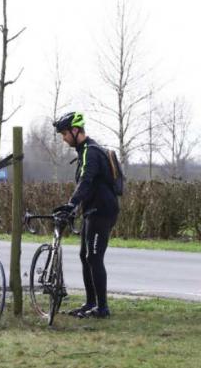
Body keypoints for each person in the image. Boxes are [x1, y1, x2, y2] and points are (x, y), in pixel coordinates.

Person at [52, 112, 120, 319]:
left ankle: (102, 308)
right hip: (92, 210)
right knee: (85, 256)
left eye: (64, 133)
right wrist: (74, 207)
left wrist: (72, 204)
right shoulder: (84, 151)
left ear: (75, 130)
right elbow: (86, 185)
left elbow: (86, 181)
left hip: (102, 211)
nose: (63, 138)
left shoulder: (90, 152)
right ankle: (91, 303)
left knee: (94, 257)